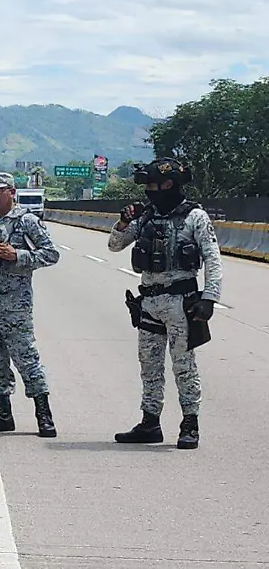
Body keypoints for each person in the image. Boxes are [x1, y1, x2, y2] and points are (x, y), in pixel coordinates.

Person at [107, 157, 221, 449]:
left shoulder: (195, 216)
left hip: (181, 303)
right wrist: (123, 222)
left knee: (184, 366)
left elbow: (212, 259)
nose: (148, 191)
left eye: (152, 185)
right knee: (149, 365)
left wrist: (209, 298)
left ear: (169, 184)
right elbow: (115, 245)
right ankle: (150, 423)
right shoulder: (145, 216)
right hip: (149, 302)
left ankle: (190, 424)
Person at [0, 172, 60, 437]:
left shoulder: (26, 221)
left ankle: (44, 416)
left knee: (27, 361)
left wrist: (17, 255)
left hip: (15, 308)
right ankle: (3, 414)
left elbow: (51, 254)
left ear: (11, 192)